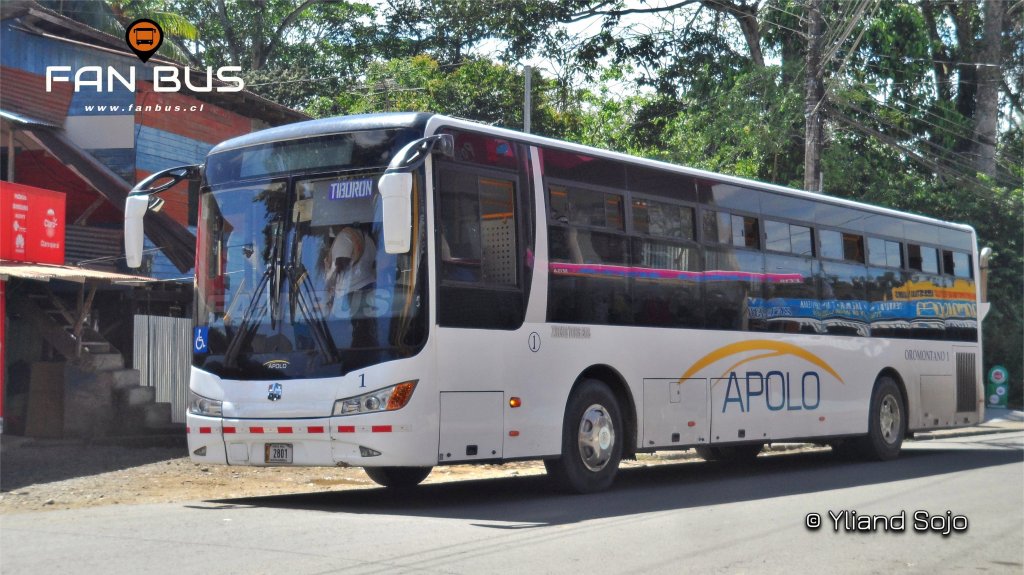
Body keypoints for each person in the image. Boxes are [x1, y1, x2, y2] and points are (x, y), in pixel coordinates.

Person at [324, 225, 376, 316]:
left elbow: (340, 268)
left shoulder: (344, 237)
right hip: (370, 289)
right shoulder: (368, 238)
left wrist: (326, 283)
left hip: (349, 296)